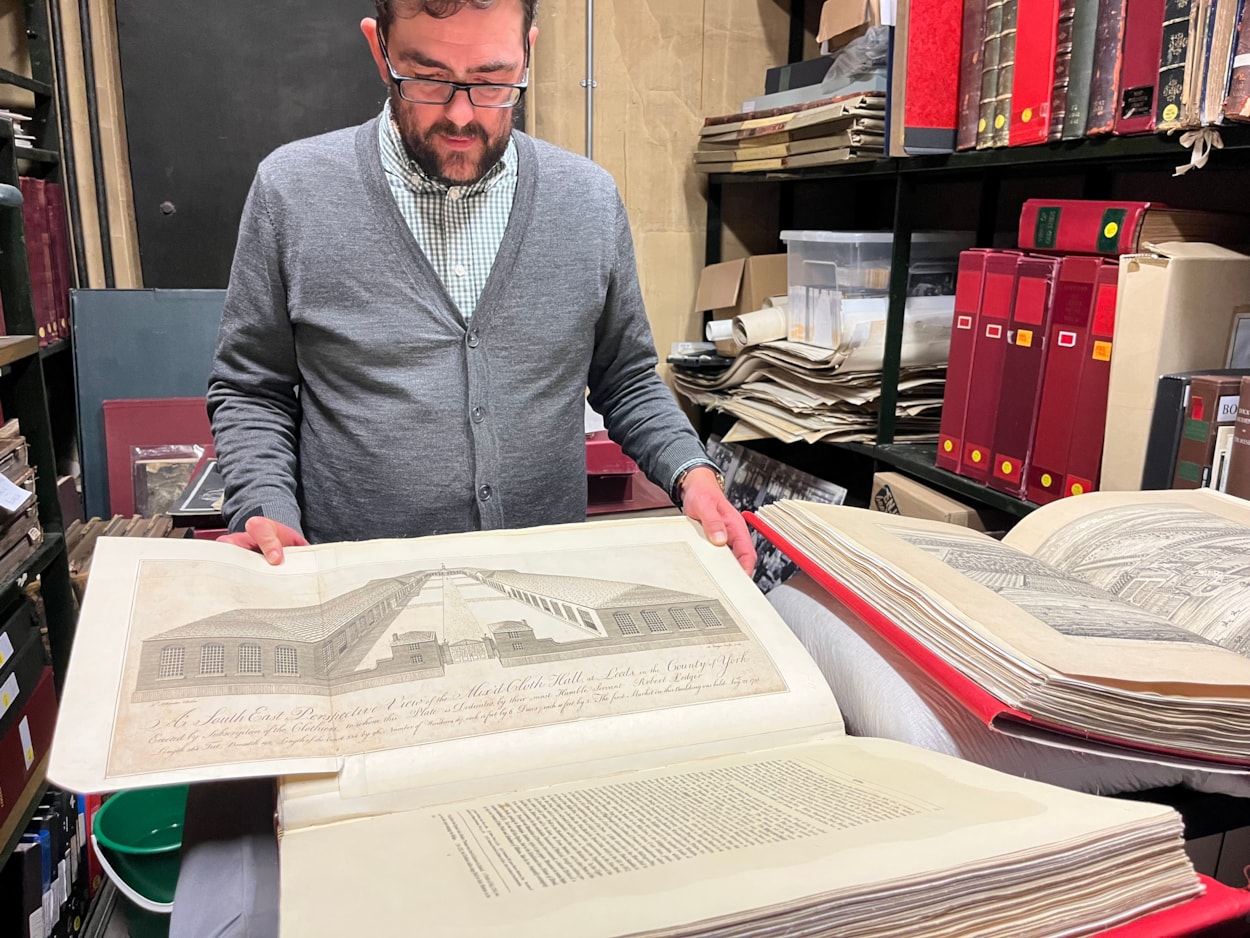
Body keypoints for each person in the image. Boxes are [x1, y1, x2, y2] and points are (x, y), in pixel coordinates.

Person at [174, 2, 755, 934]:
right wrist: (265, 504)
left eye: (491, 81)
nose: (461, 111)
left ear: (530, 50)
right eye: (429, 76)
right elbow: (248, 387)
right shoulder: (294, 190)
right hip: (363, 642)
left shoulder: (585, 201)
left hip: (536, 637)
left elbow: (628, 378)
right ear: (377, 49)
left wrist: (692, 474)